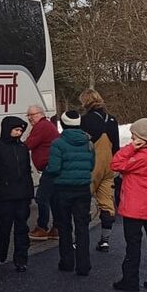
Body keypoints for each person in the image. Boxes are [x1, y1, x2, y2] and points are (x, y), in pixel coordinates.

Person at [110, 118, 147, 292]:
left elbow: (115, 164)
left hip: (134, 207)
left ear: (141, 137)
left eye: (133, 136)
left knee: (133, 244)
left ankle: (130, 280)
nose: (131, 139)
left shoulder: (141, 157)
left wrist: (130, 148)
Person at [44, 108, 95, 276]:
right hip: (83, 189)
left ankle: (67, 262)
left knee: (64, 226)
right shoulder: (88, 142)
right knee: (82, 227)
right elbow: (91, 165)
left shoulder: (58, 143)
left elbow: (54, 168)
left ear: (64, 124)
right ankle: (84, 265)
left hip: (63, 189)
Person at [79, 89, 121, 254]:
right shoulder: (111, 119)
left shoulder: (85, 120)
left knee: (83, 200)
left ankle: (80, 240)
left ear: (85, 101)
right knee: (106, 202)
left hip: (93, 164)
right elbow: (116, 145)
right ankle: (105, 240)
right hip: (109, 165)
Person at [0, 116, 33, 271]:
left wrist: (29, 192)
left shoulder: (22, 147)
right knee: (3, 227)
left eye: (20, 130)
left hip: (22, 194)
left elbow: (27, 171)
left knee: (21, 228)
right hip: (6, 194)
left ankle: (21, 259)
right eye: (16, 130)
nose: (19, 133)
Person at [25, 105, 59, 238]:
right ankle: (57, 227)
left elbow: (29, 144)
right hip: (53, 166)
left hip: (49, 167)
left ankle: (42, 227)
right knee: (53, 198)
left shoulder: (41, 126)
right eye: (28, 115)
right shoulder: (47, 125)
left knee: (41, 197)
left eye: (32, 115)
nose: (29, 118)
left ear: (40, 114)